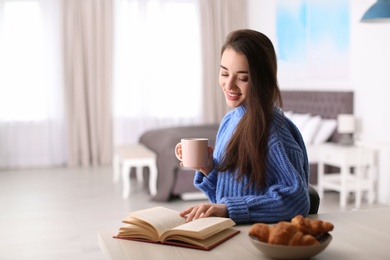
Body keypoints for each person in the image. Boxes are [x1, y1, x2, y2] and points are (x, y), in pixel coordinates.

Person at [177, 29, 310, 224]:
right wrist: (208, 168)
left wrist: (228, 208)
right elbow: (225, 196)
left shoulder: (275, 134)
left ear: (262, 79)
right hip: (233, 234)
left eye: (242, 78)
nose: (228, 85)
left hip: (257, 242)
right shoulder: (229, 121)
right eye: (224, 73)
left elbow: (296, 201)